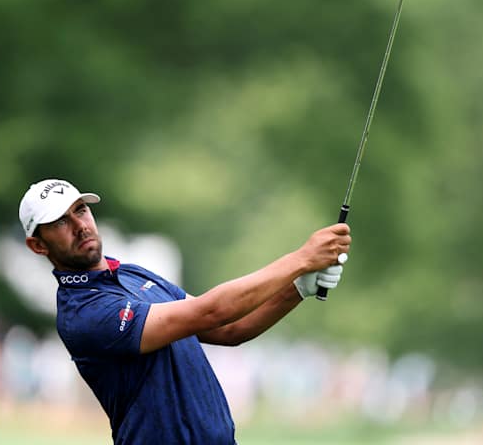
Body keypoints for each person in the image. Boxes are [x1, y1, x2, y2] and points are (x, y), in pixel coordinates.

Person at [18, 178, 351, 444]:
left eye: (80, 211)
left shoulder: (134, 274)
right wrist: (301, 259)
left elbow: (227, 331)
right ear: (39, 245)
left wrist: (297, 288)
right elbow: (210, 312)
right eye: (60, 221)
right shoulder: (84, 313)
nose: (79, 225)